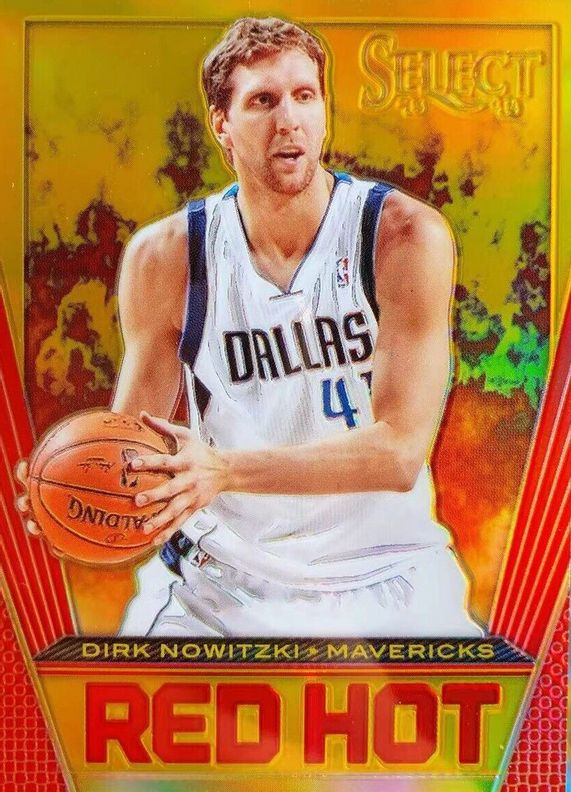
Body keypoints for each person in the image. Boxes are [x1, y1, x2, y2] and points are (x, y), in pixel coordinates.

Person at [19, 17, 482, 638]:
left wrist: (224, 470)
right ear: (222, 125)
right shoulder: (168, 257)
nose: (289, 119)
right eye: (263, 100)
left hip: (387, 575)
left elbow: (398, 453)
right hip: (221, 587)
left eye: (305, 95)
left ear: (325, 111)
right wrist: (78, 497)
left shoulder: (402, 235)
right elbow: (132, 460)